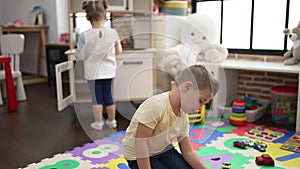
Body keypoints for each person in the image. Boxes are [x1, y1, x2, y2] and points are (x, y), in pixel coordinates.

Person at [122, 65, 219, 169]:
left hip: (162, 150)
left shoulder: (183, 117)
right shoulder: (155, 105)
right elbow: (140, 143)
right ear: (187, 87)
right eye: (200, 101)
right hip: (138, 156)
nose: (200, 107)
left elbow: (188, 152)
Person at [75, 0, 122, 130]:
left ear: (87, 17)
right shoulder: (112, 33)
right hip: (109, 71)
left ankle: (98, 122)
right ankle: (112, 121)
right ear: (105, 15)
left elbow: (80, 55)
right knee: (109, 96)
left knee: (97, 98)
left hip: (92, 73)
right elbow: (118, 51)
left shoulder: (84, 35)